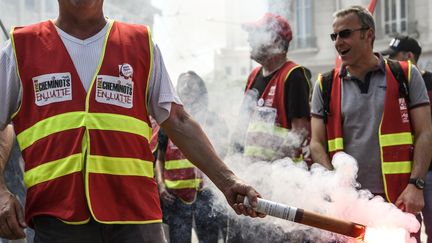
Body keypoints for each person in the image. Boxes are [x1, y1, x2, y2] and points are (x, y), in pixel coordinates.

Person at [0, 1, 263, 242]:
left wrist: (227, 181)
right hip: (59, 222)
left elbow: (179, 121)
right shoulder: (21, 47)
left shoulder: (140, 43)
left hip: (137, 222)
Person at [310, 5, 432, 240]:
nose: (338, 42)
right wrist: (333, 186)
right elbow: (316, 143)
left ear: (369, 35)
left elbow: (424, 132)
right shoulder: (324, 85)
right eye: (334, 36)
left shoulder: (406, 75)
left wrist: (416, 185)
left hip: (399, 201)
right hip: (349, 207)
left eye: (345, 34)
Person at [227, 13, 312, 243]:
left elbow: (300, 133)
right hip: (252, 183)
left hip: (279, 187)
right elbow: (241, 128)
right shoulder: (253, 76)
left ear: (275, 41)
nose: (248, 41)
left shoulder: (294, 75)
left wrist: (267, 175)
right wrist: (231, 167)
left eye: (253, 35)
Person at [155, 71, 228, 243]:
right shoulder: (168, 120)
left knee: (208, 239)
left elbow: (223, 153)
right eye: (182, 84)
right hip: (175, 196)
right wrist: (161, 185)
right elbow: (159, 158)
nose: (186, 88)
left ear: (200, 89)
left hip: (206, 193)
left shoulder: (212, 119)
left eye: (191, 84)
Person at [381, 35, 432, 243]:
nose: (391, 61)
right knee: (408, 229)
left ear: (410, 56)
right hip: (405, 174)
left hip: (429, 173)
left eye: (396, 56)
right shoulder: (394, 83)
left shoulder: (430, 82)